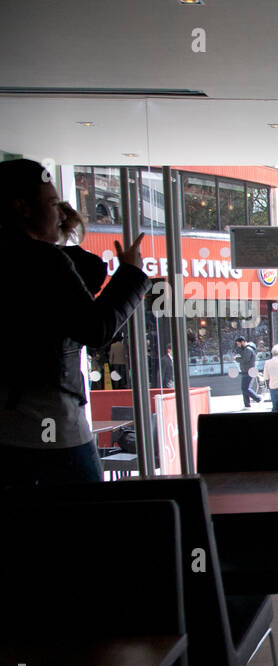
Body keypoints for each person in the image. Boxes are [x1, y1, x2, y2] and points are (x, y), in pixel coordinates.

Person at [0, 159, 150, 487]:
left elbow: (87, 271)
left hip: (9, 433)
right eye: (53, 204)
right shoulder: (47, 262)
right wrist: (132, 274)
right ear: (22, 208)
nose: (61, 213)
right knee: (85, 524)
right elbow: (95, 328)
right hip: (51, 426)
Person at [234, 335, 261, 407]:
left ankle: (258, 399)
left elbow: (245, 360)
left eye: (238, 344)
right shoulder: (245, 349)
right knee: (244, 388)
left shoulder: (248, 349)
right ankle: (247, 404)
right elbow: (242, 356)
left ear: (242, 342)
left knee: (245, 388)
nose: (238, 345)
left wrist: (236, 359)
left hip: (249, 371)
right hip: (246, 370)